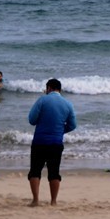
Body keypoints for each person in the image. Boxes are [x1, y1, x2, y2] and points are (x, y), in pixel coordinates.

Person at [27, 78, 77, 206]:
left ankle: (35, 200)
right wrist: (59, 131)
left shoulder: (42, 100)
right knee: (54, 172)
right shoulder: (68, 104)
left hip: (39, 141)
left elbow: (32, 120)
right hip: (56, 142)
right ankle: (53, 201)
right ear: (59, 89)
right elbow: (72, 125)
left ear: (49, 88)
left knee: (35, 170)